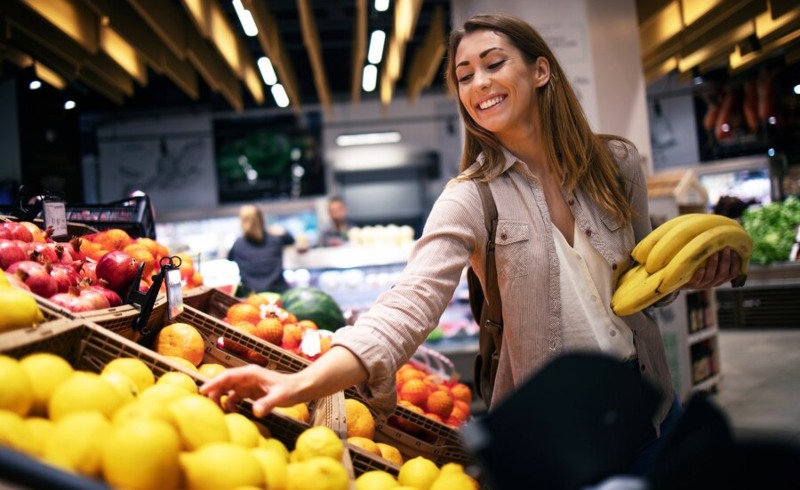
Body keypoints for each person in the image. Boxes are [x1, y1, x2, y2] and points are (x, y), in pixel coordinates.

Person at [202, 13, 742, 477]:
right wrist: (302, 380)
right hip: (552, 440)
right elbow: (407, 305)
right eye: (465, 75)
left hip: (650, 411)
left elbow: (646, 282)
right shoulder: (471, 199)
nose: (478, 82)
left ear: (540, 69)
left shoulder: (618, 165)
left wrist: (695, 274)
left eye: (493, 63)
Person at [227, 204, 295, 295]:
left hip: (252, 296)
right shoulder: (275, 239)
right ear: (262, 219)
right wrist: (282, 231)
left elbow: (229, 258)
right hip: (279, 293)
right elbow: (291, 240)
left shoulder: (238, 244)